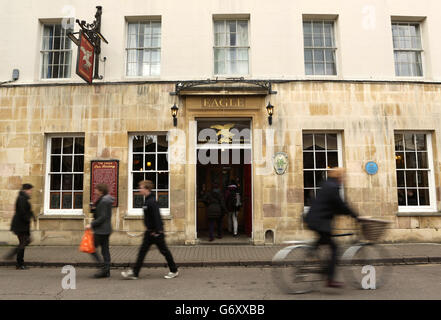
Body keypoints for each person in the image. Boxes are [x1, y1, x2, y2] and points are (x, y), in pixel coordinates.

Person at [303, 168, 359, 288]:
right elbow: (340, 205)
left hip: (314, 220)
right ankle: (330, 279)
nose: (344, 179)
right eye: (343, 176)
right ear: (339, 176)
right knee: (335, 248)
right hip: (320, 222)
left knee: (322, 241)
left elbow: (334, 206)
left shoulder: (327, 184)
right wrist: (355, 215)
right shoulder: (333, 187)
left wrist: (344, 212)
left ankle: (311, 254)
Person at [121, 180, 178, 280]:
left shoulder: (151, 201)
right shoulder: (147, 200)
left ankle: (174, 270)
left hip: (156, 233)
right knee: (142, 252)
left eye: (141, 187)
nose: (140, 189)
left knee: (164, 251)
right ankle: (135, 273)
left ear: (146, 189)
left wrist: (158, 231)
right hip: (149, 232)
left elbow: (157, 217)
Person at [4, 184, 36, 270]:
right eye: (30, 190)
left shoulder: (24, 198)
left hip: (22, 225)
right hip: (20, 225)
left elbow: (27, 210)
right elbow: (22, 212)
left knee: (24, 242)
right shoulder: (22, 198)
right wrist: (28, 219)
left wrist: (32, 216)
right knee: (24, 242)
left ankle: (17, 260)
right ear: (26, 190)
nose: (31, 192)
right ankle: (19, 263)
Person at [86, 184, 114, 278]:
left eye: (96, 190)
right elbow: (102, 213)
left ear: (101, 191)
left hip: (101, 230)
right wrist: (94, 209)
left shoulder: (103, 201)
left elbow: (102, 217)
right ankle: (106, 270)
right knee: (105, 250)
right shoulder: (104, 200)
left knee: (91, 248)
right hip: (106, 229)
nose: (95, 191)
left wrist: (91, 224)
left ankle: (103, 268)